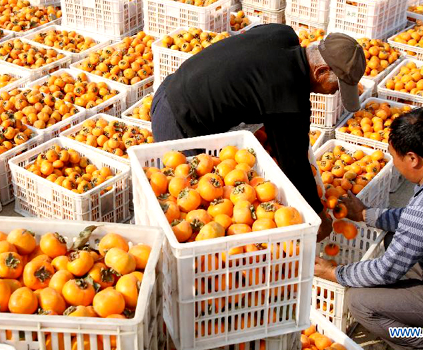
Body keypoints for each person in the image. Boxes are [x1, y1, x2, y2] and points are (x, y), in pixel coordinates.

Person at [150, 24, 366, 239]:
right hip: (178, 122)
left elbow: (251, 77)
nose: (333, 94)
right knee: (191, 212)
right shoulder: (287, 95)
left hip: (169, 90)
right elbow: (295, 165)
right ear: (320, 71)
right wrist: (318, 217)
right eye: (336, 87)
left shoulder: (281, 33)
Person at [314, 107, 423, 350]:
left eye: (393, 156)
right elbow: (418, 221)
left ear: (412, 158)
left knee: (361, 303)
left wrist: (335, 272)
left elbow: (386, 271)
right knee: (391, 242)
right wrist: (367, 215)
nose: (394, 163)